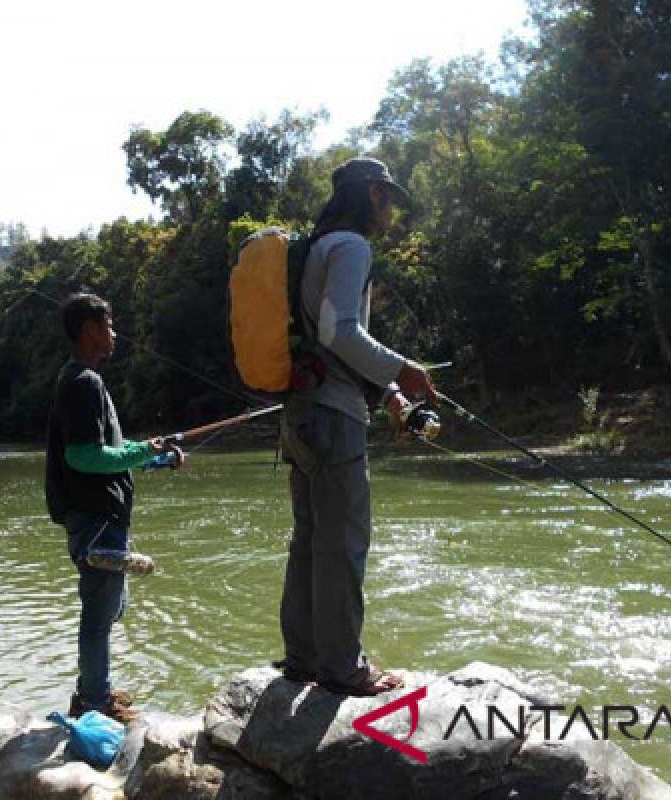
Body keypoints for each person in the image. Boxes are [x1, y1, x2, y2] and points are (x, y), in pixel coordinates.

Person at [278, 156, 439, 696]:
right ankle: (344, 667)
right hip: (334, 419)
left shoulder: (315, 248)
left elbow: (322, 342)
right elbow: (341, 333)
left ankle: (301, 658)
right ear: (372, 194)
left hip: (299, 416)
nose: (392, 208)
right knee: (344, 544)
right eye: (388, 197)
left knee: (309, 540)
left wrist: (389, 392)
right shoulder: (352, 247)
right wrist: (404, 371)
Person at [45, 293, 183, 724]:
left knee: (109, 607)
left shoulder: (82, 380)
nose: (114, 333)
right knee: (100, 612)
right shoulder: (85, 382)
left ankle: (93, 689)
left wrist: (154, 457)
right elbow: (83, 457)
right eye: (108, 325)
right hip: (96, 520)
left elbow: (110, 451)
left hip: (99, 517)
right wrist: (141, 450)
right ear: (89, 330)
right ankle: (93, 700)